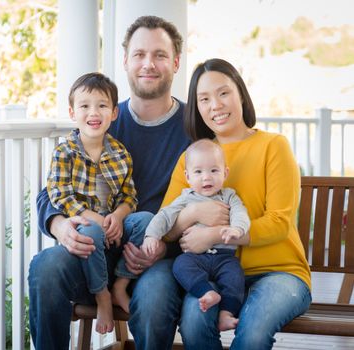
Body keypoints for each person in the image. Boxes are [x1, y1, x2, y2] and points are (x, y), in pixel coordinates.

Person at [29, 15, 190, 349]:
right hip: (93, 246)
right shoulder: (100, 117)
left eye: (159, 55)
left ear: (175, 62)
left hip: (156, 256)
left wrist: (164, 246)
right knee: (45, 267)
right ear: (125, 62)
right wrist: (60, 227)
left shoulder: (192, 129)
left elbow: (206, 202)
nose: (149, 64)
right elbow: (51, 192)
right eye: (139, 54)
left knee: (156, 298)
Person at [163, 58, 311, 350]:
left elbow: (280, 223)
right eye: (204, 99)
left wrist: (216, 234)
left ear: (240, 94)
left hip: (279, 273)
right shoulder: (192, 159)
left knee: (253, 335)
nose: (215, 105)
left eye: (223, 93)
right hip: (213, 273)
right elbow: (168, 228)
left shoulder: (273, 146)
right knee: (193, 323)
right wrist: (192, 213)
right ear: (197, 108)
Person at [46, 72, 150, 333]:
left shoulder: (119, 152)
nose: (94, 112)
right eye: (84, 106)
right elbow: (60, 195)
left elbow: (129, 196)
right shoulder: (65, 152)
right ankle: (102, 293)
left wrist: (118, 216)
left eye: (102, 105)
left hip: (114, 228)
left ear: (114, 113)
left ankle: (119, 286)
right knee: (91, 232)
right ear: (72, 112)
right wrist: (97, 220)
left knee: (146, 220)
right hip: (86, 226)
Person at [142, 138, 250, 332]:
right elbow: (165, 216)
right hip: (194, 257)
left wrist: (237, 229)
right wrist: (152, 236)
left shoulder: (229, 196)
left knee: (235, 277)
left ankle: (226, 314)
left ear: (225, 173)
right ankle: (206, 292)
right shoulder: (186, 198)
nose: (206, 178)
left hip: (225, 258)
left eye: (213, 171)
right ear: (188, 176)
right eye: (198, 172)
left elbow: (240, 213)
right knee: (180, 265)